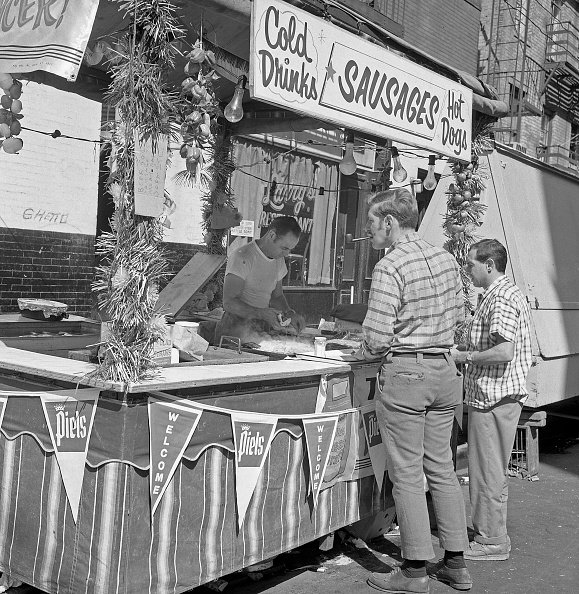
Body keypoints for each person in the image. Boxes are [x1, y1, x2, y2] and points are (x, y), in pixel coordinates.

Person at [352, 188, 472, 593]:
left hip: (406, 373)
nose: (368, 230)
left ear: (389, 222)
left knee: (406, 473)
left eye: (371, 222)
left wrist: (363, 347)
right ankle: (456, 562)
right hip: (444, 371)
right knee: (442, 468)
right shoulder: (447, 258)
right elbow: (460, 315)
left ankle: (414, 570)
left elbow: (377, 334)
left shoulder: (391, 265)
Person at [450, 239, 533, 561]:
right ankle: (491, 533)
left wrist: (463, 356)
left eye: (470, 264)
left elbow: (504, 350)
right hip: (496, 396)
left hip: (494, 397)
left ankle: (492, 541)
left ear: (489, 265)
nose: (467, 269)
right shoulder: (501, 294)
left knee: (486, 471)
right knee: (490, 470)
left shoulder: (501, 298)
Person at [214, 216, 306, 345]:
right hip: (234, 330)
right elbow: (229, 303)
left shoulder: (278, 260)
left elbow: (277, 296)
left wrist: (289, 313)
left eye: (290, 249)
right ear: (272, 235)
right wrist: (261, 313)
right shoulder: (243, 256)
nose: (286, 254)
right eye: (284, 248)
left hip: (260, 329)